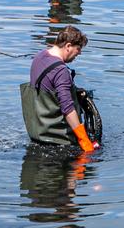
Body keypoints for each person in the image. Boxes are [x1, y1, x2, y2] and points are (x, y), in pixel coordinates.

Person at [22, 25, 97, 154]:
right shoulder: (61, 71)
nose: (79, 53)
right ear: (68, 46)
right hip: (59, 141)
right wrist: (84, 140)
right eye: (78, 49)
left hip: (37, 134)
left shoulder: (39, 57)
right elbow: (67, 109)